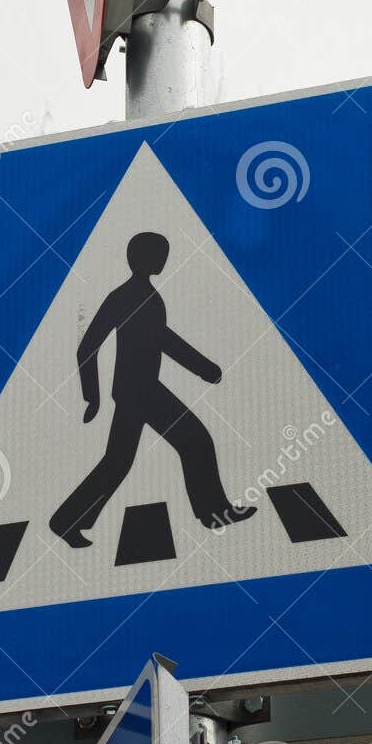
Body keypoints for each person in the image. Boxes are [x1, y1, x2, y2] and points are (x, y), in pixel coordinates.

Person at [50, 231, 256, 548]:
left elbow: (162, 339)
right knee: (194, 441)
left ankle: (66, 521)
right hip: (139, 391)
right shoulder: (125, 296)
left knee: (120, 460)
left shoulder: (144, 295)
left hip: (140, 389)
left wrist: (205, 369)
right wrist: (92, 397)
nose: (164, 260)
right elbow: (87, 347)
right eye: (160, 254)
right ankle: (214, 512)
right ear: (143, 258)